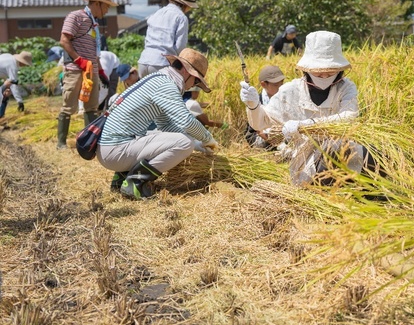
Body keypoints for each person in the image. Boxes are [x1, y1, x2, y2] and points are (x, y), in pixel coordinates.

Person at [241, 30, 376, 185]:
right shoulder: (290, 91)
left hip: (347, 157)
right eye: (319, 72)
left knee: (369, 151)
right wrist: (253, 105)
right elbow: (262, 122)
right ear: (307, 69)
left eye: (330, 71)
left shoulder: (346, 88)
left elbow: (348, 118)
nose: (324, 76)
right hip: (307, 164)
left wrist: (303, 126)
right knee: (330, 149)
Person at [97, 48, 219, 199]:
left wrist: (196, 143)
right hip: (115, 150)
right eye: (197, 80)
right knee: (184, 143)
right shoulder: (166, 85)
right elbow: (186, 121)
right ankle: (135, 182)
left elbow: (164, 125)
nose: (194, 85)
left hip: (110, 148)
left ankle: (121, 176)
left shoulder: (159, 78)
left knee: (177, 139)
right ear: (187, 72)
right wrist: (208, 139)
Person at [57, 0, 115, 149]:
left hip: (91, 70)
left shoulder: (94, 24)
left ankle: (88, 141)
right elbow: (64, 40)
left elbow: (95, 52)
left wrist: (101, 71)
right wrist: (78, 60)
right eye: (106, 6)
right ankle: (61, 143)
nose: (107, 10)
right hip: (75, 69)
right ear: (97, 4)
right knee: (69, 106)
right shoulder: (76, 16)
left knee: (91, 107)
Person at [137, 0, 196, 77]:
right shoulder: (181, 17)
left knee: (147, 91)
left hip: (143, 62)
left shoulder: (157, 13)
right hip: (162, 63)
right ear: (186, 5)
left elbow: (147, 38)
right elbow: (180, 46)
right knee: (165, 91)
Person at [244, 65, 285, 148]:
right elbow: (256, 129)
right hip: (260, 136)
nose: (281, 87)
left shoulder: (286, 97)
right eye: (276, 85)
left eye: (282, 83)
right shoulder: (257, 102)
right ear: (263, 84)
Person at [0, 51, 32, 118]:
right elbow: (13, 85)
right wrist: (20, 101)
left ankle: (1, 115)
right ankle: (0, 115)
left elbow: (4, 73)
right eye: (25, 64)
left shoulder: (9, 56)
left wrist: (6, 87)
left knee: (5, 92)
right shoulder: (13, 66)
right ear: (22, 62)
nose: (25, 65)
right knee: (3, 95)